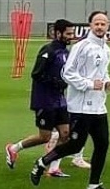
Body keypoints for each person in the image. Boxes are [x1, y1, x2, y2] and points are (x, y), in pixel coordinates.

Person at [31, 10, 110, 189]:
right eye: (97, 23)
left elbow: (102, 73)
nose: (100, 26)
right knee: (75, 145)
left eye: (103, 23)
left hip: (99, 105)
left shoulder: (106, 49)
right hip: (80, 106)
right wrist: (89, 84)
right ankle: (42, 162)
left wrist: (108, 82)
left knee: (103, 144)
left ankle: (93, 185)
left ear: (108, 26)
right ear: (90, 26)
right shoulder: (81, 46)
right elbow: (67, 73)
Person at [5, 19, 76, 177]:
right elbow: (37, 73)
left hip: (59, 99)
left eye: (72, 33)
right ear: (58, 33)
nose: (71, 36)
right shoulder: (48, 50)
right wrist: (56, 82)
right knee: (45, 137)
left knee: (65, 134)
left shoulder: (66, 52)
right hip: (44, 99)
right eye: (68, 33)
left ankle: (54, 167)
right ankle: (14, 148)